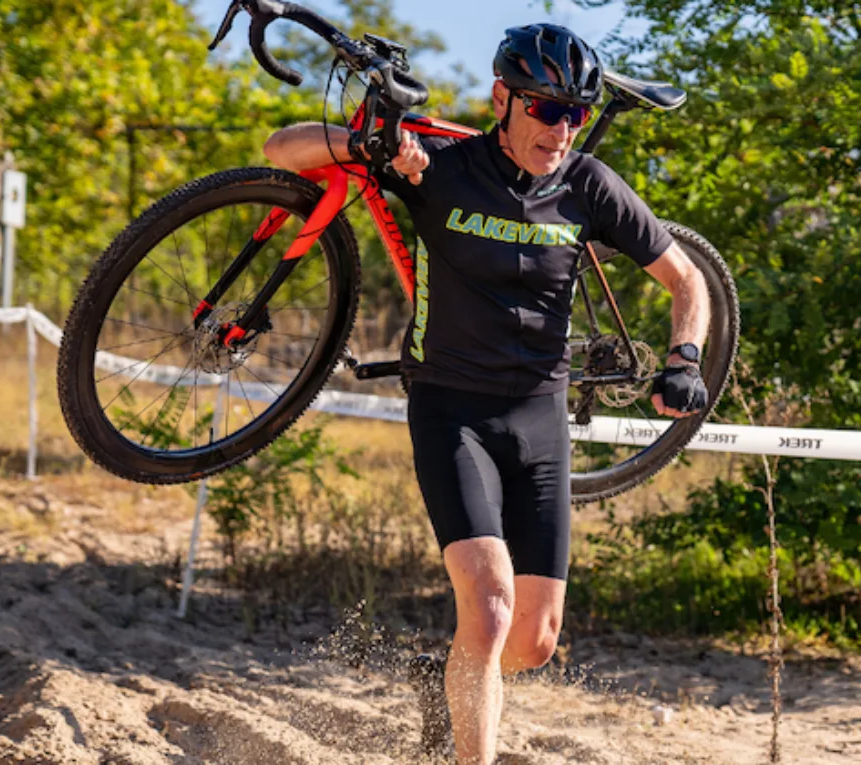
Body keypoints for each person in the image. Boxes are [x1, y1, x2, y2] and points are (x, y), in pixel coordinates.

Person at [262, 23, 712, 765]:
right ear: (502, 98)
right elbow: (281, 149)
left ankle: (448, 679)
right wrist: (373, 141)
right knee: (492, 603)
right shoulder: (442, 167)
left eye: (575, 113)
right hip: (451, 408)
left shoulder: (588, 184)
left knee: (531, 642)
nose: (560, 130)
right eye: (545, 108)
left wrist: (684, 358)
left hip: (541, 415)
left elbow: (687, 279)